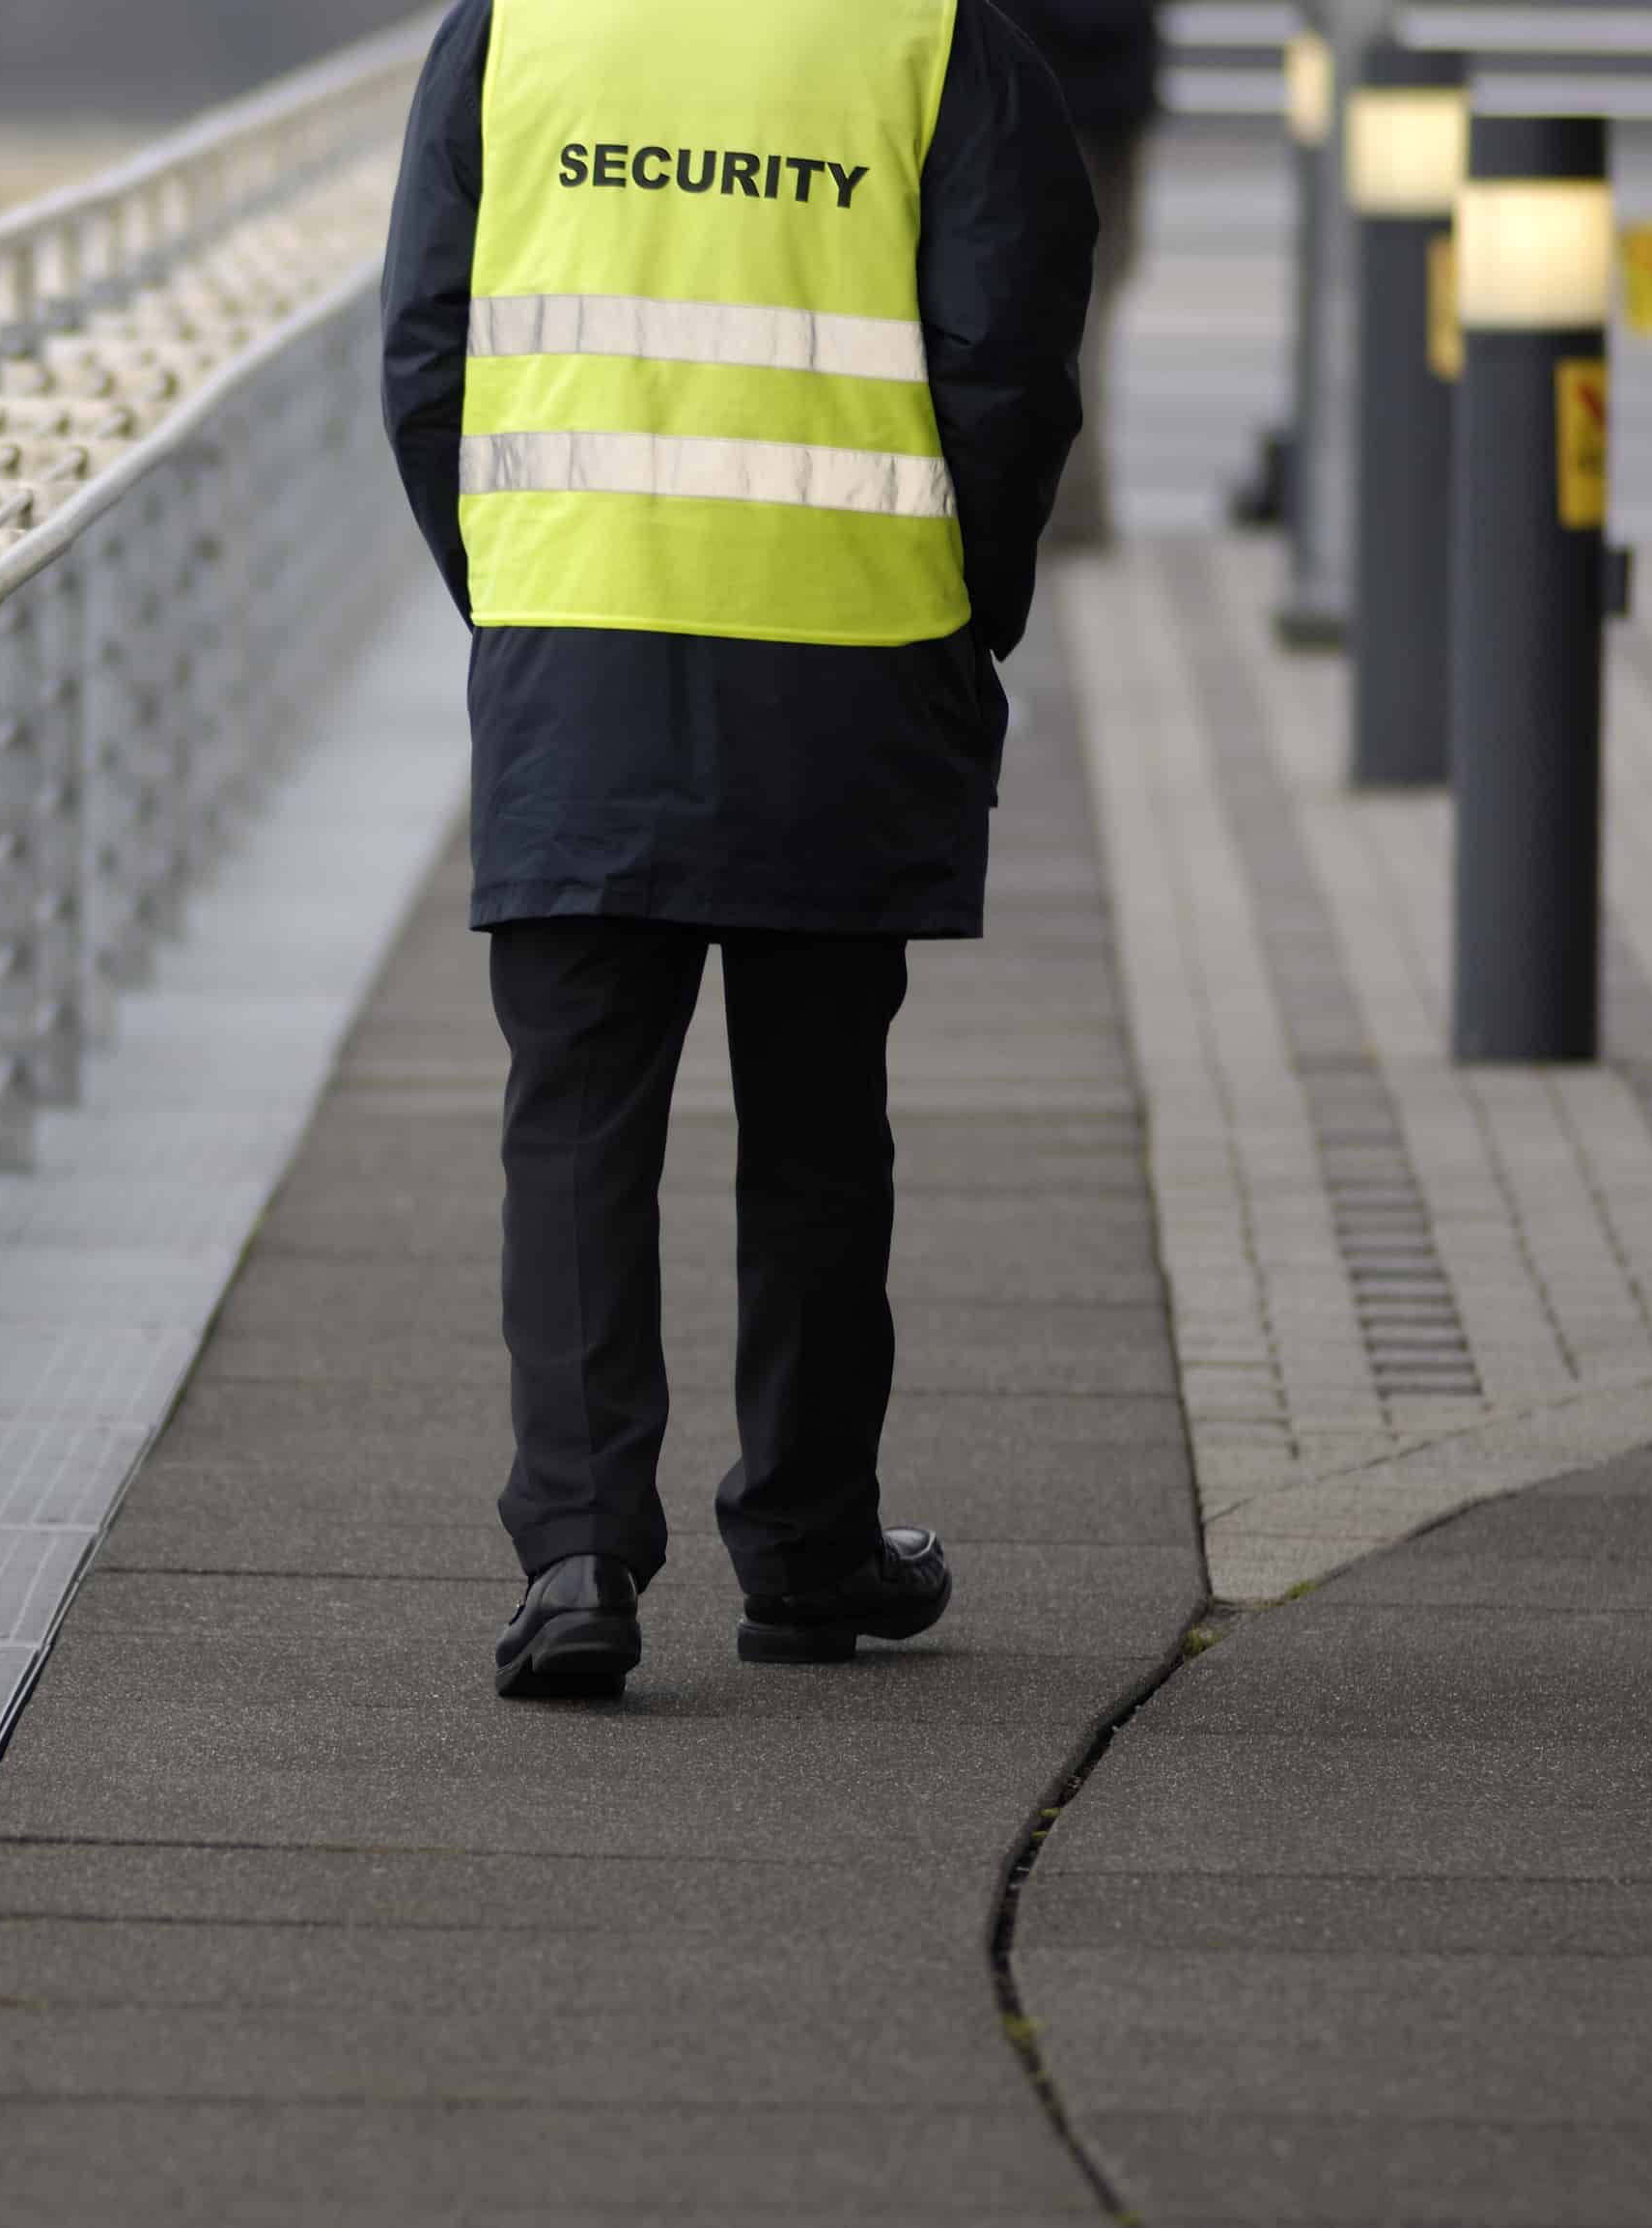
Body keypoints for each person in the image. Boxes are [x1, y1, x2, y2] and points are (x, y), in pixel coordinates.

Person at [378, 0, 1095, 1697]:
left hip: (577, 646)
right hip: (845, 652)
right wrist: (956, 614)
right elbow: (1003, 367)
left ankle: (573, 1556)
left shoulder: (511, 33)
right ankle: (802, 1541)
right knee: (816, 1129)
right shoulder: (935, 39)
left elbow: (424, 350)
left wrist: (518, 599)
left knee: (568, 1125)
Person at [984, 0, 1162, 545]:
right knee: (1070, 312)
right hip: (1077, 104)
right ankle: (1064, 505)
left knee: (1064, 310)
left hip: (1064, 99)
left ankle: (1061, 503)